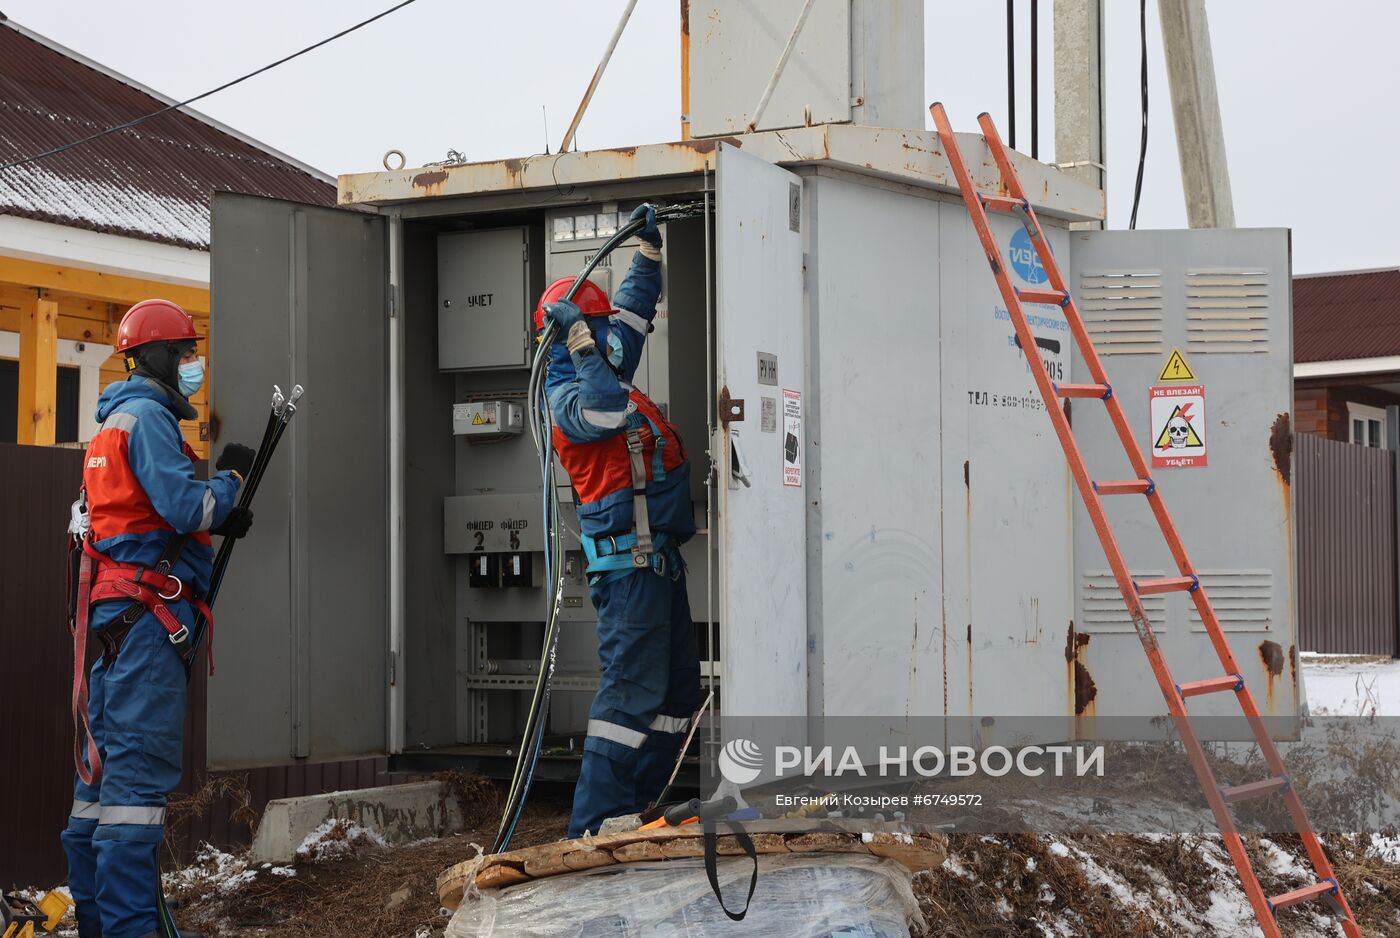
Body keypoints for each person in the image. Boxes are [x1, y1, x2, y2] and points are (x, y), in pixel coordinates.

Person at [61, 299, 255, 938]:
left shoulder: (111, 424)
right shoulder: (147, 418)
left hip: (112, 622)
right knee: (134, 795)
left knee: (100, 783)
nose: (191, 365)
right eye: (184, 353)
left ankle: (99, 924)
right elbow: (183, 506)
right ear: (155, 356)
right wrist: (227, 488)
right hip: (143, 628)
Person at [538, 205, 701, 838]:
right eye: (592, 332)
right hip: (628, 572)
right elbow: (603, 412)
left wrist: (647, 254)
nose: (610, 340)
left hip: (659, 566)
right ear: (564, 337)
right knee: (627, 703)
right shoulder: (567, 394)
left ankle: (638, 812)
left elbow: (631, 316)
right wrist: (580, 345)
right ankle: (592, 827)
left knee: (674, 701)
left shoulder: (602, 354)